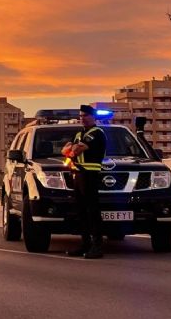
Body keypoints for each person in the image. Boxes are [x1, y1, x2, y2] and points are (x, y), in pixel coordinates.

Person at [61, 104, 107, 259]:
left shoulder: (96, 133)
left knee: (92, 211)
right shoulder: (79, 134)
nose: (82, 118)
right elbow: (66, 151)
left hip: (90, 174)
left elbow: (75, 150)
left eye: (85, 116)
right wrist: (72, 149)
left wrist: (72, 149)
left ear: (93, 117)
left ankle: (97, 246)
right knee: (81, 211)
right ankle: (85, 243)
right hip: (78, 174)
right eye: (80, 116)